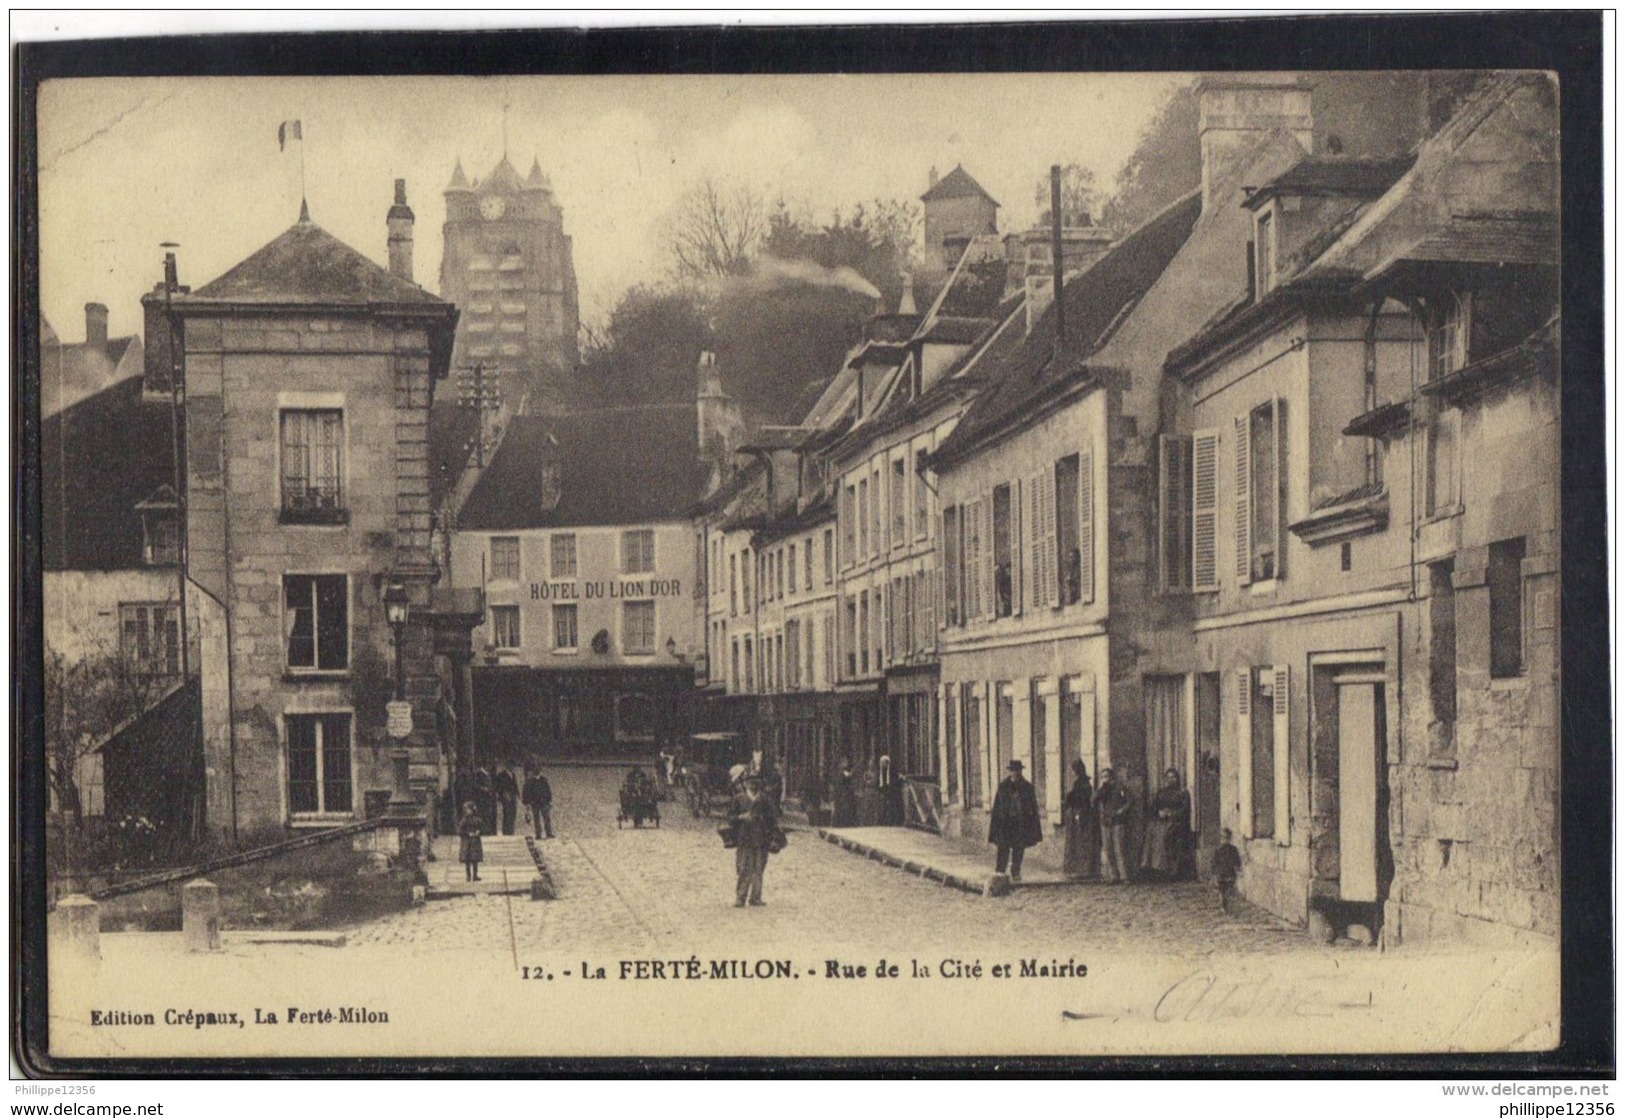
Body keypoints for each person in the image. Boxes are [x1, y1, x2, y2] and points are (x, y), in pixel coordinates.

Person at [729, 774, 782, 907]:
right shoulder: (739, 799)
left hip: (761, 839)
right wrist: (741, 817)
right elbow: (730, 818)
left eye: (756, 782)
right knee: (744, 868)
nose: (753, 785)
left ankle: (756, 897)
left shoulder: (765, 799)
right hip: (744, 839)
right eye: (750, 782)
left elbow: (773, 820)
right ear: (745, 784)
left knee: (759, 868)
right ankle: (740, 897)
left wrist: (773, 835)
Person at [988, 759, 1043, 881]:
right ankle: (1000, 872)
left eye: (1018, 770)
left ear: (1021, 771)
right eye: (1013, 770)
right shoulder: (1003, 787)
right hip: (1005, 823)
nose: (1016, 773)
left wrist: (1032, 824)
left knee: (1019, 848)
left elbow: (1033, 808)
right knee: (1003, 848)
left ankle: (1016, 872)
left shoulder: (1027, 787)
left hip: (1020, 823)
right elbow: (997, 808)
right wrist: (996, 826)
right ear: (1010, 771)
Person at [1141, 767, 1193, 881]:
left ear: (1177, 779)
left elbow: (1185, 810)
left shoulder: (1183, 792)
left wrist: (1171, 814)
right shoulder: (1161, 792)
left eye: (1173, 777)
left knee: (1165, 834)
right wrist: (1159, 812)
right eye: (1168, 778)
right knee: (1151, 831)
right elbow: (1154, 807)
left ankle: (1167, 870)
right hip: (1161, 820)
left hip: (1177, 821)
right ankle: (1153, 867)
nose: (1171, 780)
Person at [1061, 759, 1100, 880]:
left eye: (1074, 770)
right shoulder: (1080, 783)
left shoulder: (1082, 784)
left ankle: (1084, 870)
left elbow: (1083, 801)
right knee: (1077, 842)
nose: (1073, 772)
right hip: (1077, 814)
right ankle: (1080, 869)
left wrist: (1079, 815)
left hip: (1081, 814)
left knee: (1081, 842)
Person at [1094, 766, 1132, 884]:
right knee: (1108, 849)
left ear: (1112, 777)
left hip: (1118, 821)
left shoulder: (1120, 788)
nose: (1106, 779)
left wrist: (1122, 810)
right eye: (1103, 777)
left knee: (1119, 849)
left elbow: (1129, 802)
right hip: (1106, 822)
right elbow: (1094, 800)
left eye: (1107, 776)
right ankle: (1113, 876)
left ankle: (1124, 876)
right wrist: (1102, 789)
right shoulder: (1102, 790)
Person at [1213, 827, 1242, 913]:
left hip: (1229, 872)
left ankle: (1227, 905)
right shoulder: (1218, 850)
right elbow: (1214, 862)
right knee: (1222, 890)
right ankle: (1223, 906)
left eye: (1227, 838)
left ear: (1230, 838)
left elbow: (1237, 860)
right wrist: (1215, 873)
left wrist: (1238, 868)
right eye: (1224, 838)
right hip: (1222, 873)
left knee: (1228, 889)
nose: (1225, 840)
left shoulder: (1233, 849)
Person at [457, 801, 486, 882]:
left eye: (469, 809)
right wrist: (467, 834)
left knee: (475, 859)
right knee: (467, 860)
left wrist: (479, 832)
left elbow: (483, 828)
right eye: (466, 810)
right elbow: (460, 831)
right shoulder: (464, 821)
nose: (468, 811)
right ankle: (468, 875)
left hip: (475, 842)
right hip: (467, 842)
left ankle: (475, 875)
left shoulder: (478, 820)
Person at [522, 767, 553, 840]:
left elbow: (547, 791)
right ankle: (539, 834)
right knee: (537, 819)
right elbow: (526, 792)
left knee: (546, 818)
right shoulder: (531, 781)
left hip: (543, 802)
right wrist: (527, 802)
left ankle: (548, 833)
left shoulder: (543, 780)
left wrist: (549, 800)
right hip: (535, 802)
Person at [494, 763, 520, 836]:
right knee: (507, 813)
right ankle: (506, 831)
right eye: (511, 766)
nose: (512, 767)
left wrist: (518, 794)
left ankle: (511, 830)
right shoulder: (501, 775)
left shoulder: (513, 774)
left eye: (513, 766)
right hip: (506, 795)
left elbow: (515, 785)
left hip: (513, 795)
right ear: (508, 766)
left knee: (513, 813)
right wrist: (502, 794)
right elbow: (499, 786)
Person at [472, 767, 497, 841]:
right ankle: (482, 830)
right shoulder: (478, 773)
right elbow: (475, 785)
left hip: (488, 798)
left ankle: (487, 830)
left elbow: (491, 785)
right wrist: (483, 789)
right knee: (482, 814)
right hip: (481, 798)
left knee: (488, 814)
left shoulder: (488, 773)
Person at [831, 758, 857, 827]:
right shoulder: (842, 772)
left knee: (843, 808)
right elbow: (848, 776)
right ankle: (842, 823)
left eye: (845, 763)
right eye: (844, 763)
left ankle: (842, 823)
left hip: (842, 792)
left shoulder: (841, 772)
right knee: (842, 807)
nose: (845, 764)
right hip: (842, 792)